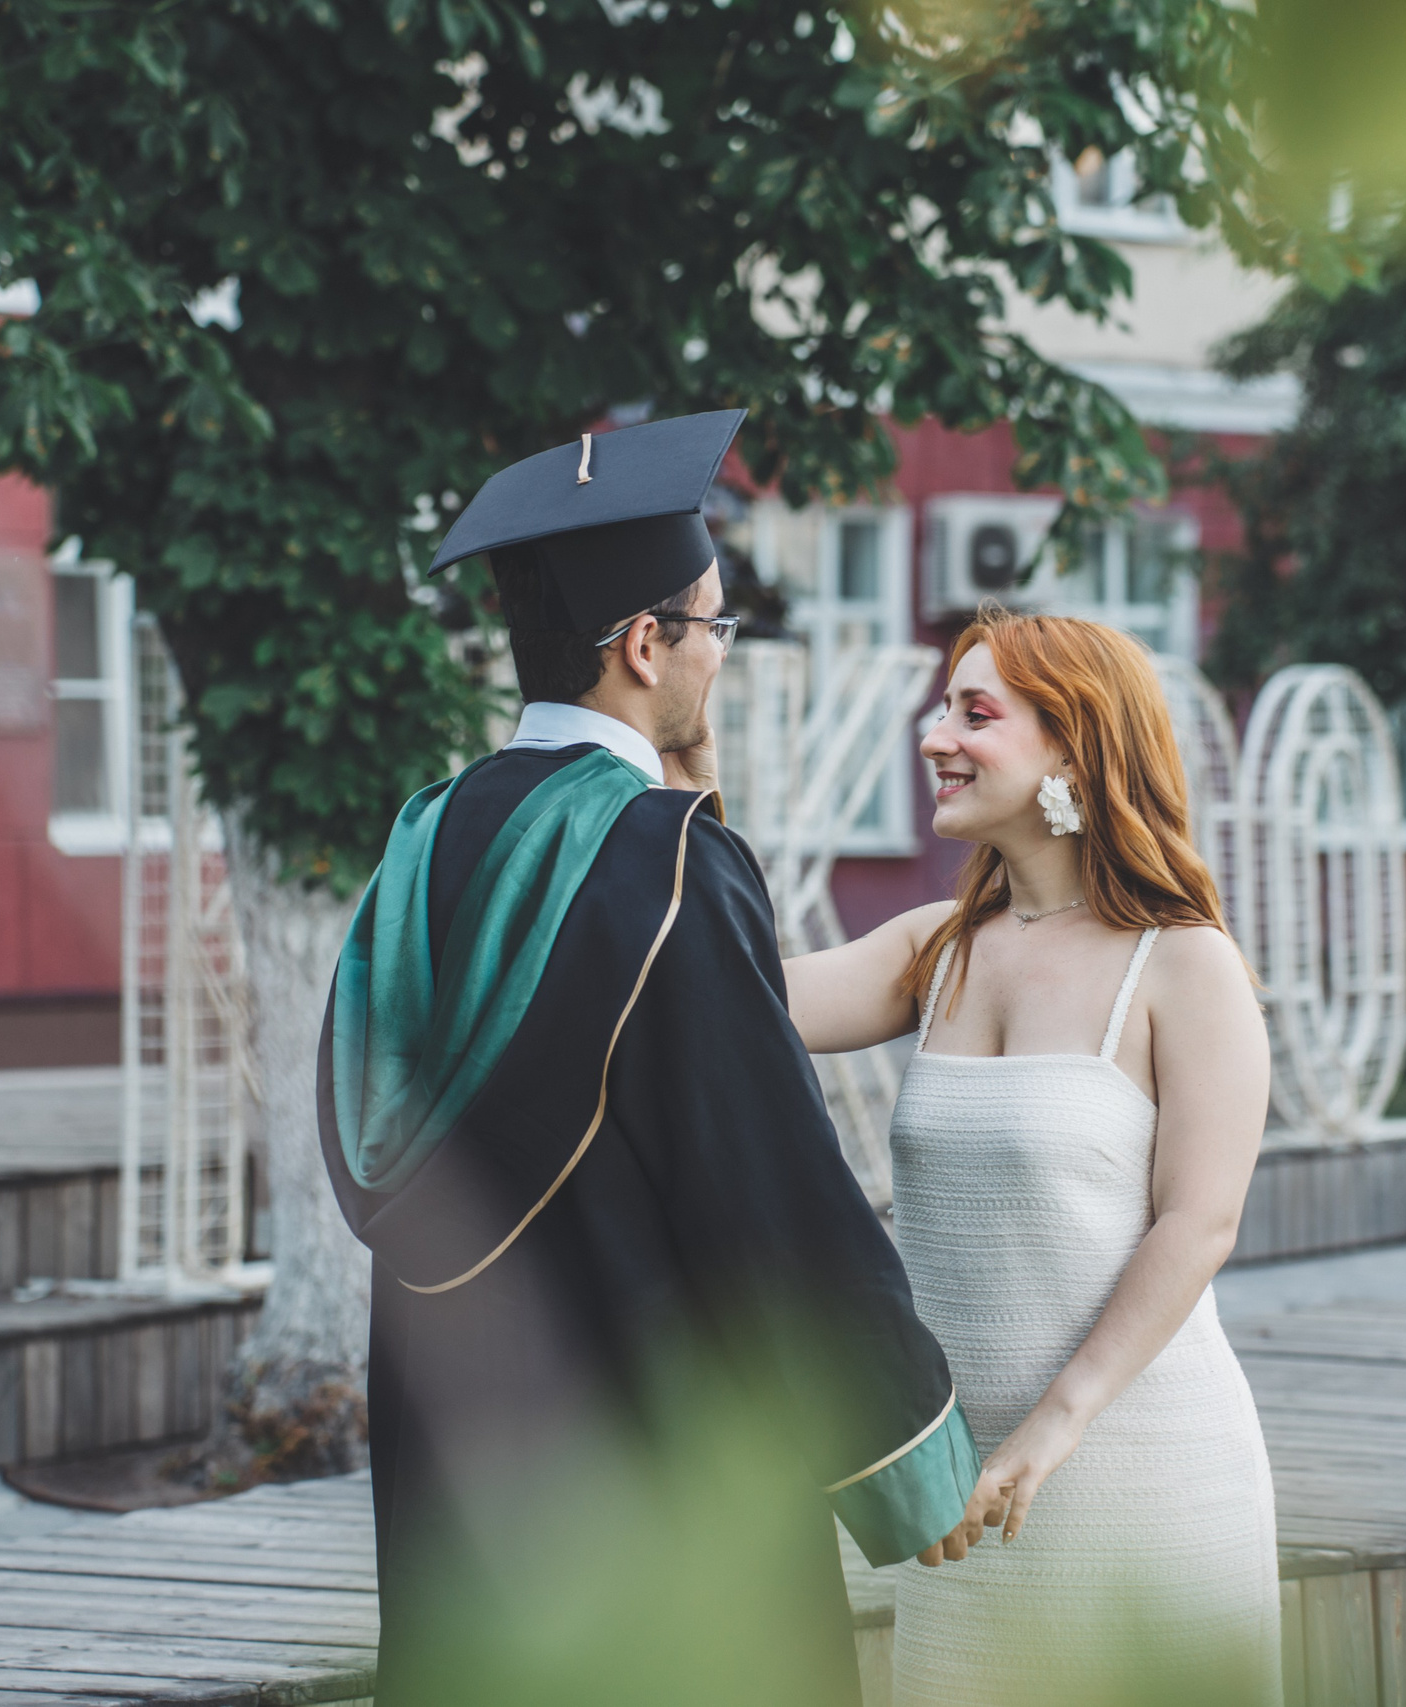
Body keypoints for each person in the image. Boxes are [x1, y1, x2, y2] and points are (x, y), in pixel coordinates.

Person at [314, 410, 978, 1707]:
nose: (720, 657)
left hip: (465, 1432)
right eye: (715, 627)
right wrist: (907, 1449)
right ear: (642, 643)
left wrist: (692, 808)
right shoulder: (659, 856)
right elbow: (766, 1180)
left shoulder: (425, 837)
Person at [783, 609, 1282, 1707]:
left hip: (1140, 1474)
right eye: (939, 707)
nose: (932, 735)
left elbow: (1198, 1224)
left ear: (1072, 744)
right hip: (963, 1505)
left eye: (975, 712)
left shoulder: (1184, 966)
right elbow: (733, 1001)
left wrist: (1050, 1430)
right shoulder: (934, 948)